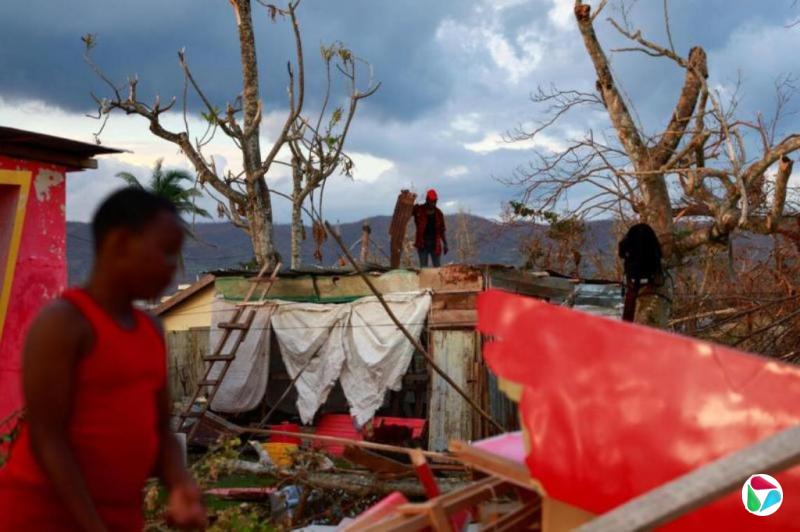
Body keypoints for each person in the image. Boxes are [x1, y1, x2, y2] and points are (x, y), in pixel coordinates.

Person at [0, 188, 206, 531]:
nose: (173, 269)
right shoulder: (64, 324)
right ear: (121, 243)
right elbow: (47, 438)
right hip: (42, 515)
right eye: (167, 253)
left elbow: (161, 430)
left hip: (117, 516)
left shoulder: (150, 330)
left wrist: (180, 485)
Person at [618, 222, 671, 326]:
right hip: (651, 282)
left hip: (634, 283)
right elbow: (659, 255)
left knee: (628, 315)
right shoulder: (651, 242)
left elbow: (621, 252)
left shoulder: (630, 240)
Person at [413, 189, 448, 267]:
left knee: (437, 268)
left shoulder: (439, 213)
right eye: (431, 201)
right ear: (427, 200)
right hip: (422, 244)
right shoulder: (418, 210)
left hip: (435, 244)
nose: (433, 203)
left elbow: (442, 230)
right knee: (423, 268)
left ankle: (437, 279)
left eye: (435, 201)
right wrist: (409, 200)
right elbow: (407, 212)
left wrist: (445, 244)